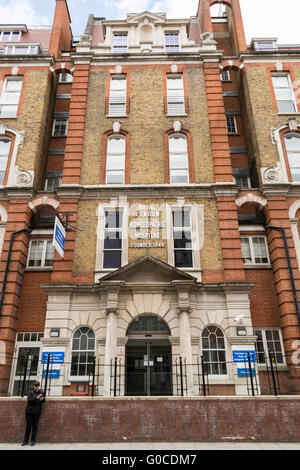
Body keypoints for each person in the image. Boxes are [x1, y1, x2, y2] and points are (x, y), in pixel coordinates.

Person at [21, 380, 45, 446]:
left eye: (38, 386)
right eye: (35, 386)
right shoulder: (30, 392)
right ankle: (25, 441)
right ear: (33, 386)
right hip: (29, 412)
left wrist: (41, 399)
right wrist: (36, 398)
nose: (37, 387)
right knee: (28, 427)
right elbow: (29, 400)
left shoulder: (41, 392)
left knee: (35, 427)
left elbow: (43, 401)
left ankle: (33, 441)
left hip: (37, 412)